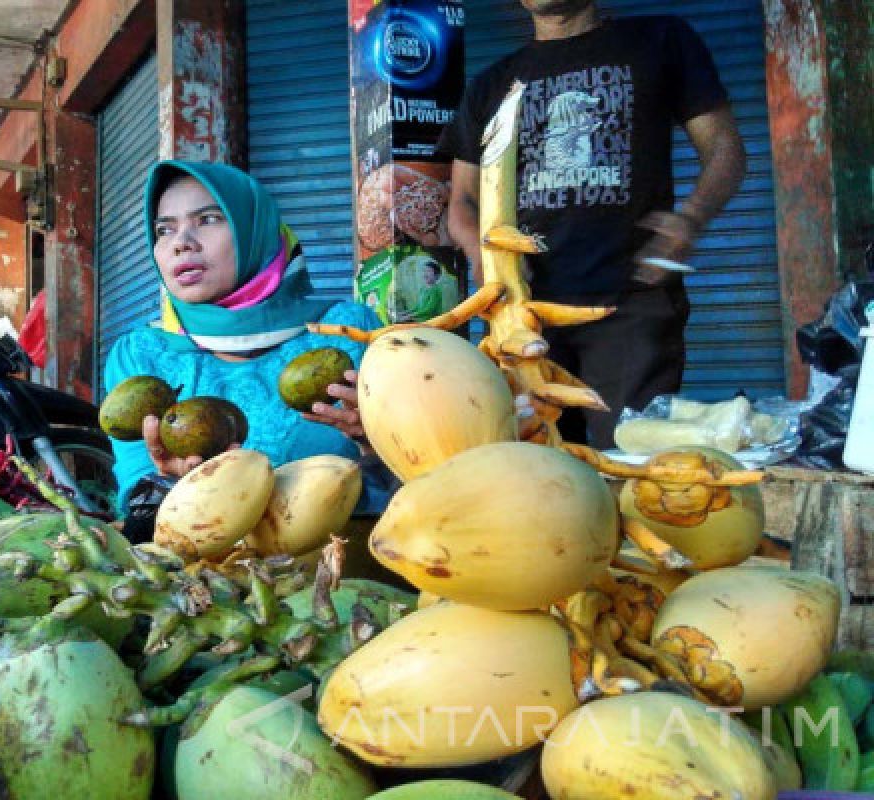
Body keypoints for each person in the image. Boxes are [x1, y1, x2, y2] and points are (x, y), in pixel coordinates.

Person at [438, 0, 746, 448]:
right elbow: (462, 202)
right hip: (524, 316)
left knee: (628, 467)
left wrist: (690, 220)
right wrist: (481, 254)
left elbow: (726, 151)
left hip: (629, 308)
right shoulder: (491, 85)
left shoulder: (660, 41)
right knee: (537, 474)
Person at [103, 160, 391, 521]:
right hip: (202, 574)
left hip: (344, 564)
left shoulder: (346, 331)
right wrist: (167, 486)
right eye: (164, 230)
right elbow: (136, 506)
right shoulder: (142, 355)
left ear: (254, 229)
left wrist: (375, 444)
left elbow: (419, 478)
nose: (181, 244)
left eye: (207, 220)